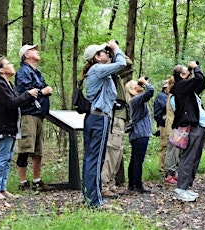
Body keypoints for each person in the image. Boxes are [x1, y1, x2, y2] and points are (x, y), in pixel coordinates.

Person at [81, 40, 126, 208]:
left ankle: (88, 197)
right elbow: (121, 63)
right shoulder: (98, 70)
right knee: (96, 160)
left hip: (94, 117)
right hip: (100, 118)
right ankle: (94, 201)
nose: (107, 53)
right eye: (103, 52)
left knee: (90, 159)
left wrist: (112, 53)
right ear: (97, 57)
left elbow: (119, 64)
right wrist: (115, 48)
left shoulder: (98, 71)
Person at [0, 57, 38, 199]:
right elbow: (10, 103)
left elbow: (17, 102)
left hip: (12, 126)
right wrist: (27, 94)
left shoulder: (9, 85)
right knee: (2, 157)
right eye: (8, 63)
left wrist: (29, 97)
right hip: (3, 126)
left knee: (8, 158)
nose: (12, 65)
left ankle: (2, 188)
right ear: (1, 70)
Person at [15, 44, 54, 191]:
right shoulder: (23, 72)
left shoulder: (37, 72)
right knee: (25, 148)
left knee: (38, 150)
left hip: (38, 115)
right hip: (28, 114)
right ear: (26, 55)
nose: (37, 51)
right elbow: (25, 92)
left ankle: (37, 181)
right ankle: (23, 183)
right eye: (33, 50)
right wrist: (43, 91)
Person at [170, 61, 205, 202]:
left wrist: (194, 70)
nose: (190, 72)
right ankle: (180, 189)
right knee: (188, 157)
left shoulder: (187, 88)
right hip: (191, 126)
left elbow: (202, 83)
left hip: (199, 125)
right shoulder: (180, 86)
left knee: (194, 158)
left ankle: (186, 187)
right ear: (181, 75)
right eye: (188, 71)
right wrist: (195, 67)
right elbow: (198, 79)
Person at [100, 53, 134, 199]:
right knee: (111, 151)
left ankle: (111, 183)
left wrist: (115, 52)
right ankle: (104, 185)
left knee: (117, 152)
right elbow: (124, 63)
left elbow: (129, 65)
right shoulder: (105, 70)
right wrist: (116, 50)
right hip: (114, 115)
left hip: (120, 115)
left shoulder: (115, 73)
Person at [125, 78, 154, 193]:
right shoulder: (136, 100)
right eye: (136, 85)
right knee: (138, 160)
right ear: (132, 89)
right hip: (141, 133)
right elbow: (150, 91)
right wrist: (146, 83)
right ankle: (138, 185)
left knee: (134, 159)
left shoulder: (133, 101)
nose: (139, 86)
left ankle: (132, 184)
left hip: (136, 133)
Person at [163, 76, 181, 185]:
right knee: (172, 151)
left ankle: (173, 174)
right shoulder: (174, 96)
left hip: (175, 127)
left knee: (175, 151)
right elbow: (177, 110)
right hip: (173, 127)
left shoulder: (172, 95)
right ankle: (169, 174)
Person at [153, 79, 169, 175]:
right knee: (165, 147)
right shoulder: (161, 97)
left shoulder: (165, 96)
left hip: (166, 124)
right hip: (163, 125)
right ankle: (162, 170)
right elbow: (166, 107)